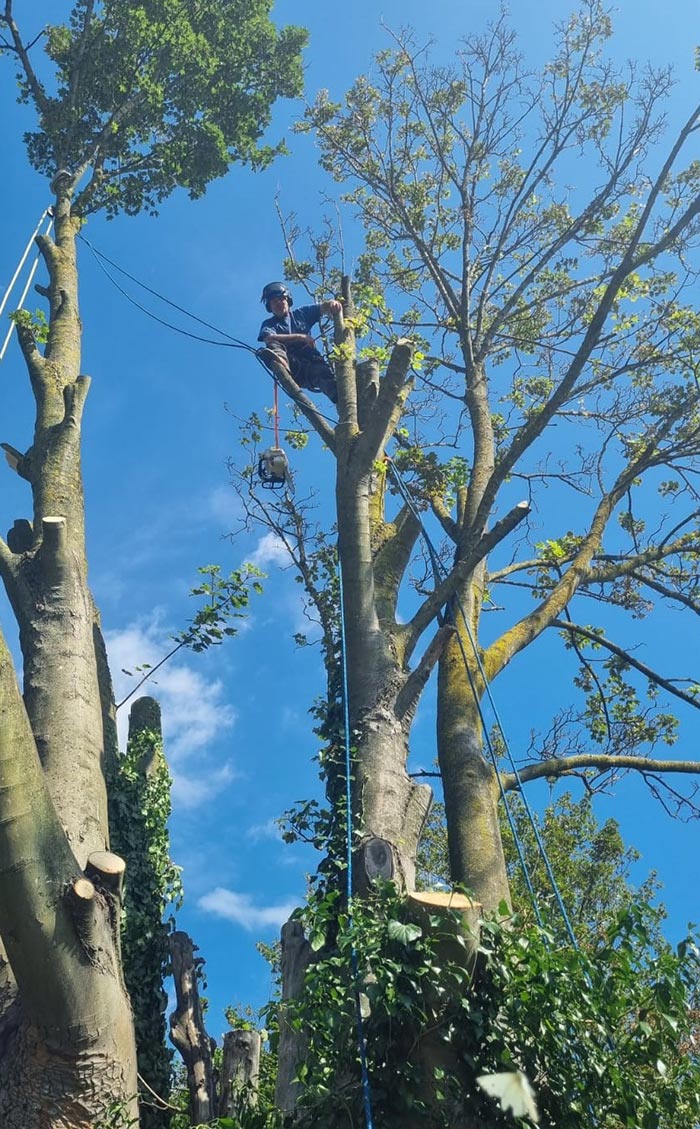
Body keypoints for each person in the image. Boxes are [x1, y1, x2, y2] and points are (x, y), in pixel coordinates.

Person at [257, 282, 341, 403]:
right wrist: (300, 337)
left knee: (324, 376)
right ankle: (281, 365)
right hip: (293, 366)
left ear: (287, 299)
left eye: (281, 299)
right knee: (273, 345)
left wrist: (332, 304)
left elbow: (322, 308)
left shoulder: (301, 314)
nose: (278, 303)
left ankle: (338, 398)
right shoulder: (269, 324)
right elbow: (268, 338)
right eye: (274, 302)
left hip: (311, 364)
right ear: (270, 306)